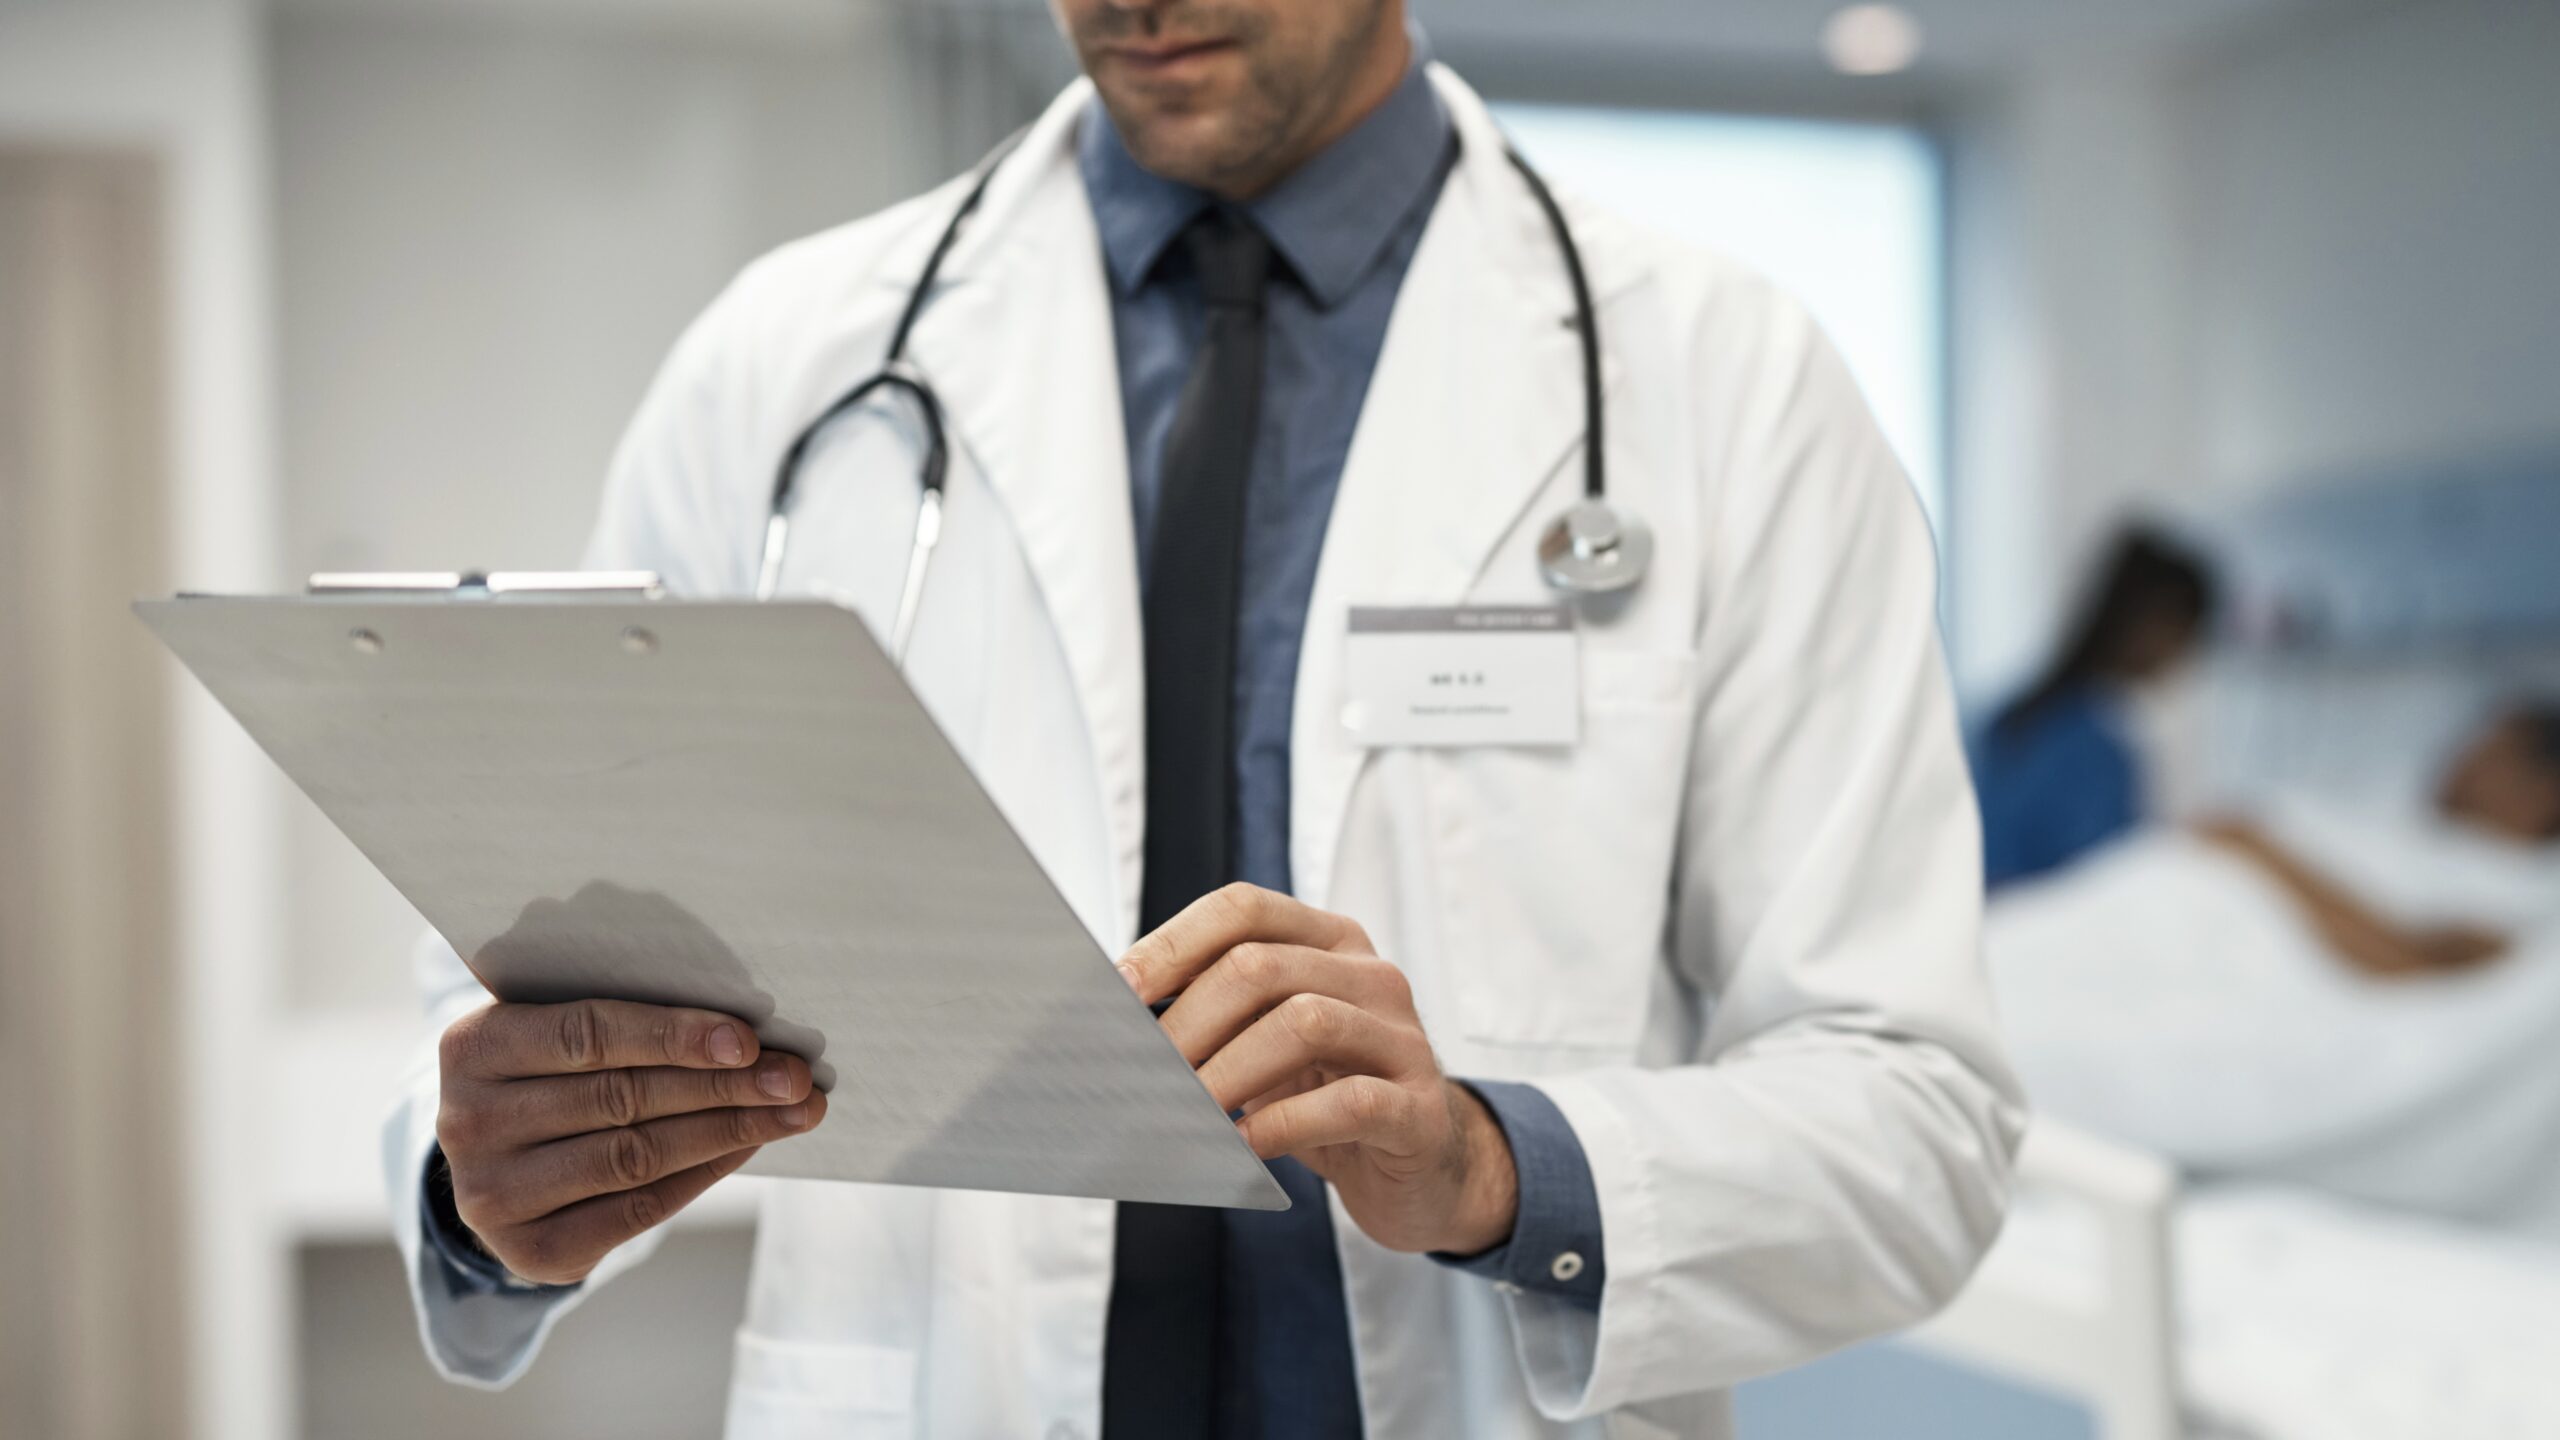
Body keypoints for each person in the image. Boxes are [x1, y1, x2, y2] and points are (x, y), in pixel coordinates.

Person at [387, 3, 2023, 1436]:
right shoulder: (786, 367)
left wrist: (1492, 1166)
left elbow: (1918, 1116)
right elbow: (511, 977)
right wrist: (492, 1182)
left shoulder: (1725, 384)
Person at [2199, 702, 2560, 978]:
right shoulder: (2442, 841)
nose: (2461, 762)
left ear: (2548, 791)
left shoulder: (2528, 891)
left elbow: (2416, 966)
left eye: (2490, 752)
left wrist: (2258, 852)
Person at [1972, 526, 2218, 888]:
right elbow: (2104, 896)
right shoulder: (2096, 753)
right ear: (2153, 624)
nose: (2187, 658)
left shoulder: (2007, 717)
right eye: (2188, 636)